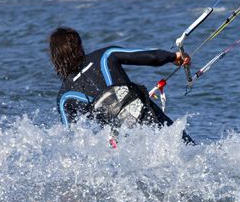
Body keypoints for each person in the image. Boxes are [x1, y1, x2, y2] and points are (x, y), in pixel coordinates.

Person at [49, 27, 194, 144]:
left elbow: (69, 140)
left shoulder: (64, 97)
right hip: (152, 121)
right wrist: (174, 57)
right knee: (188, 151)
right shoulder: (106, 55)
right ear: (79, 45)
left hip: (124, 145)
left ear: (55, 59)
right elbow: (152, 57)